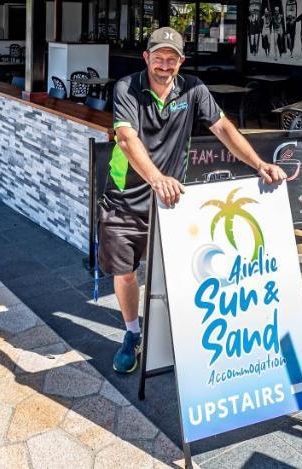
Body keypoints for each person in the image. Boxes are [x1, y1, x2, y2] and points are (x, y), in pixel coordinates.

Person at [101, 27, 287, 375]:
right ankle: (132, 335)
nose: (164, 65)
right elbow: (126, 139)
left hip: (172, 202)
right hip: (126, 198)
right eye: (158, 58)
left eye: (172, 59)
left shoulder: (194, 89)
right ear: (147, 58)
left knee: (179, 273)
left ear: (181, 62)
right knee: (126, 273)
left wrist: (260, 164)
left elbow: (224, 129)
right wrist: (156, 178)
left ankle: (185, 336)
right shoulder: (126, 88)